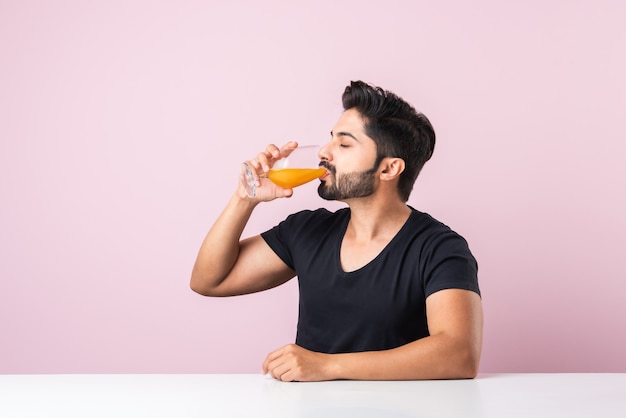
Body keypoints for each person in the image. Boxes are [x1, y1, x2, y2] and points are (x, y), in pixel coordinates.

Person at [190, 80, 483, 382]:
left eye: (344, 144)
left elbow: (459, 354)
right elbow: (209, 281)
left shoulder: (439, 248)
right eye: (331, 139)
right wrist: (244, 197)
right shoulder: (307, 230)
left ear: (389, 169)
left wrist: (327, 366)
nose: (325, 152)